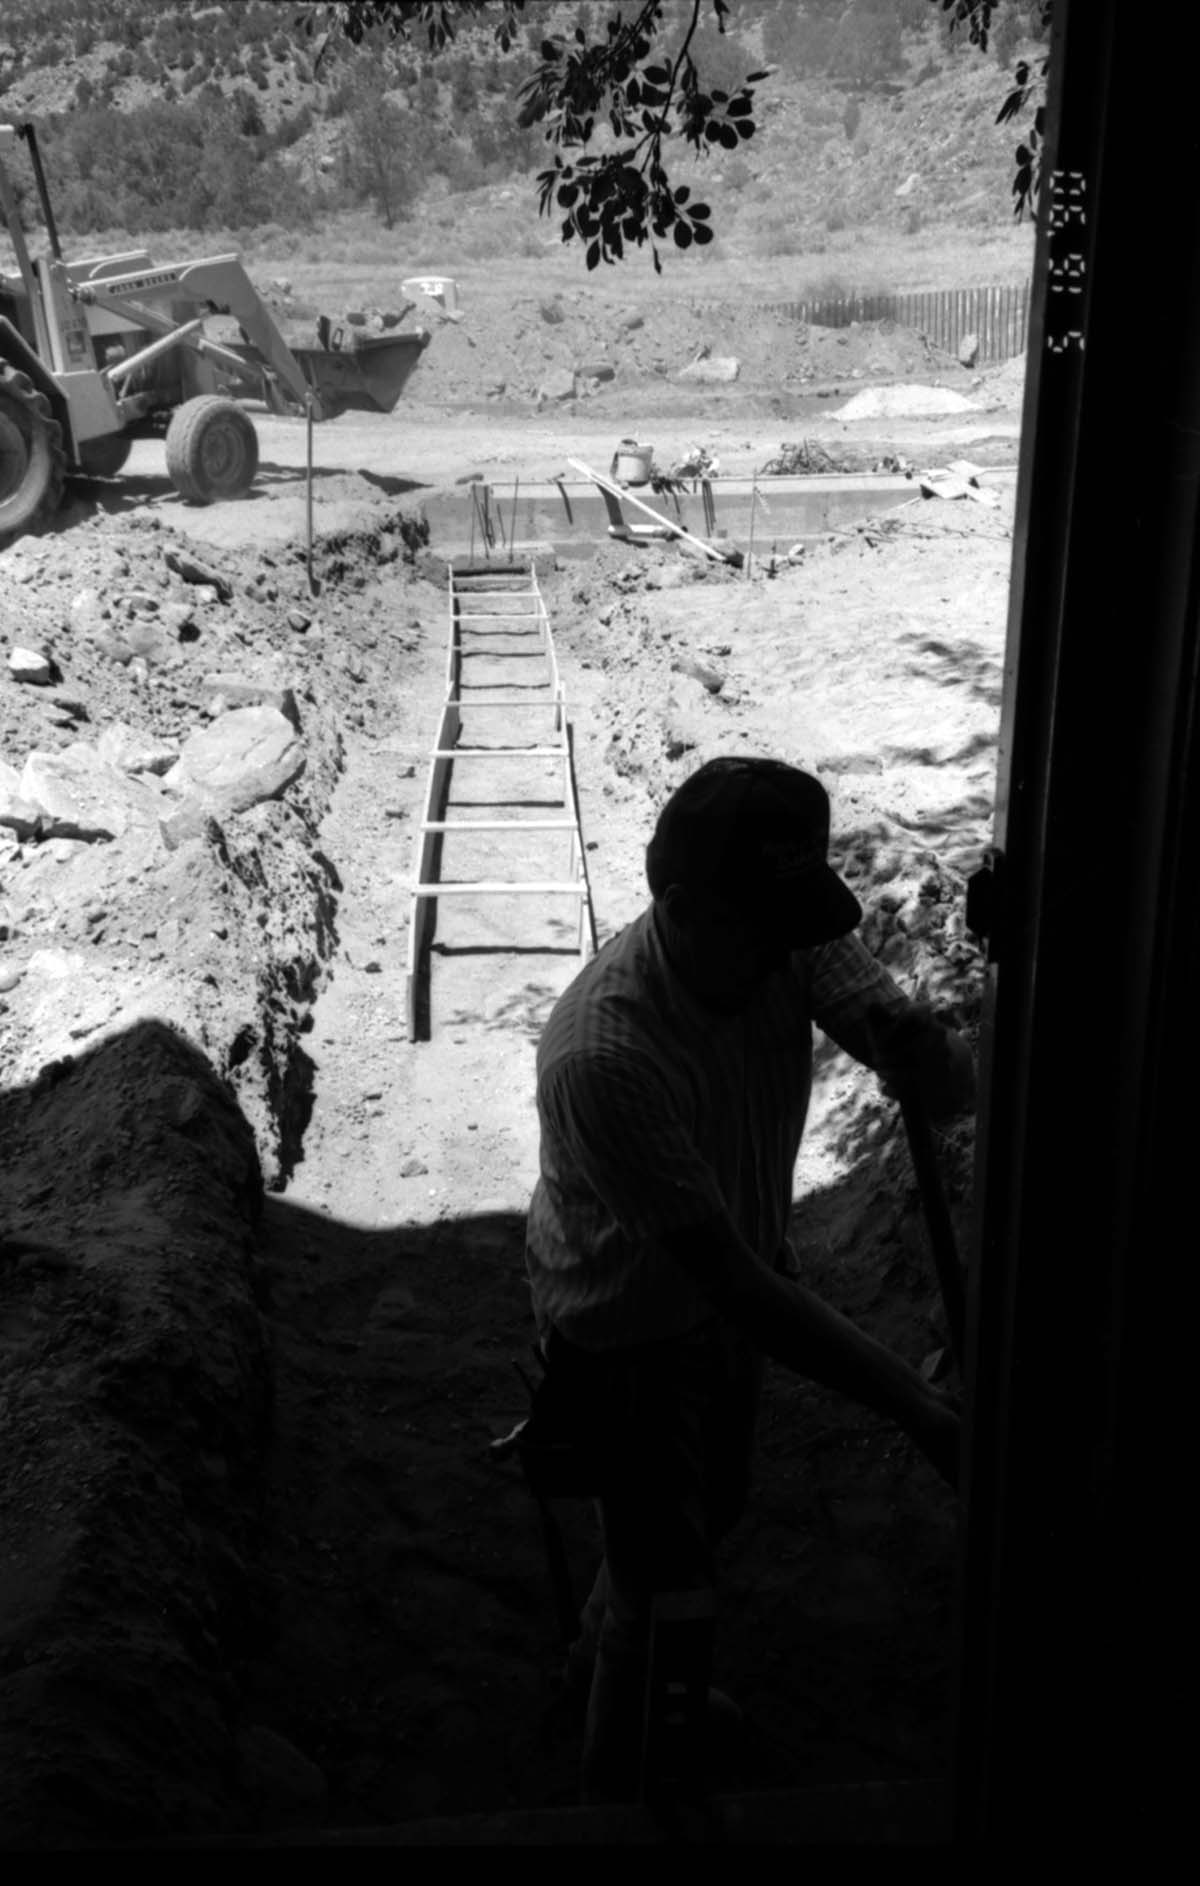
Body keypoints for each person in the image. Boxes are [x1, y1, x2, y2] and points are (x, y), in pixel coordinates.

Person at [523, 755, 975, 1806]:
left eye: (797, 917)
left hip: (722, 1293)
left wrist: (922, 1050)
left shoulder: (776, 932)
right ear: (680, 905)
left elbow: (942, 1084)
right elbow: (729, 1279)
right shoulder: (607, 1053)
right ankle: (621, 1782)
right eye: (762, 923)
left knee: (698, 1514)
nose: (790, 948)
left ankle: (600, 1664)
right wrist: (918, 1407)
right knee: (671, 1586)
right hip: (625, 1326)